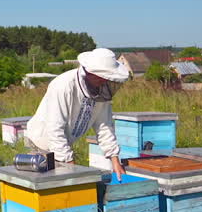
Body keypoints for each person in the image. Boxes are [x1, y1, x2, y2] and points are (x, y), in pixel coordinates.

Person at [23, 47, 131, 180]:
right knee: (53, 188)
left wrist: (115, 160)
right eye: (103, 78)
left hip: (63, 143)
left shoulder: (101, 91)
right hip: (41, 144)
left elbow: (104, 126)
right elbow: (55, 129)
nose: (105, 82)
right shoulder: (63, 86)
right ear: (90, 73)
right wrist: (70, 166)